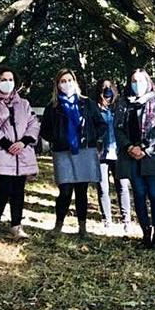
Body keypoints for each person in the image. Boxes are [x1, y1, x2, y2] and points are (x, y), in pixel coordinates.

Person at [41, 68, 107, 237]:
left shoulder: (87, 104)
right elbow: (45, 130)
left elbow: (101, 125)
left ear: (75, 82)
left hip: (84, 151)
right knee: (65, 190)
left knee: (81, 190)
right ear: (57, 85)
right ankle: (58, 225)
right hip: (62, 152)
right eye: (63, 81)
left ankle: (82, 227)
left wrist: (91, 137)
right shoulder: (53, 107)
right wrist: (58, 137)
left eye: (70, 80)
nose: (67, 84)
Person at [115, 69, 155, 249]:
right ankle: (146, 232)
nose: (137, 85)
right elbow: (118, 129)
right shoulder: (123, 103)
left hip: (150, 156)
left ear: (148, 82)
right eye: (134, 81)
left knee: (154, 194)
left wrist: (144, 147)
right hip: (131, 156)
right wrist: (129, 147)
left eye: (141, 81)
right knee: (138, 194)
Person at [0, 66, 39, 239]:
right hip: (0, 153)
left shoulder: (23, 103)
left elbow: (33, 124)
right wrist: (6, 144)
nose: (8, 83)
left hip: (22, 154)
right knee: (4, 188)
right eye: (3, 79)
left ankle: (16, 225)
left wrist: (24, 141)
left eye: (10, 79)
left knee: (19, 190)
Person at [95, 79, 131, 233]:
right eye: (104, 88)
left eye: (110, 87)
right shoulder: (94, 108)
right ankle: (106, 219)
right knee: (103, 188)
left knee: (122, 186)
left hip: (118, 153)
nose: (107, 90)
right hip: (101, 154)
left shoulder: (120, 107)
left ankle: (126, 219)